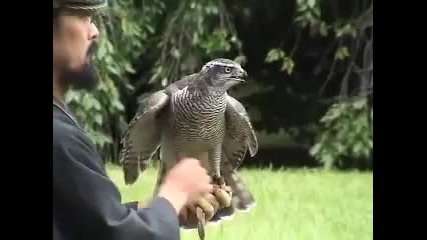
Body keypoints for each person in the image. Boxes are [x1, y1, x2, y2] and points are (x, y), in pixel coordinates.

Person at [53, 1, 229, 239]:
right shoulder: (58, 135)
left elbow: (85, 225)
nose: (94, 31)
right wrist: (176, 191)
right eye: (83, 17)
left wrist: (161, 210)